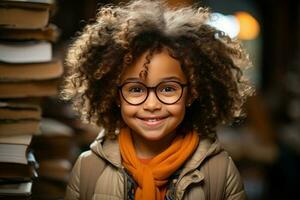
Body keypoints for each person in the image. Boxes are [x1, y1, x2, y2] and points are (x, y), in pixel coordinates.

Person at [62, 0, 254, 199]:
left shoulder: (220, 171)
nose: (152, 105)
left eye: (168, 89)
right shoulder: (88, 168)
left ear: (192, 93)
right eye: (136, 89)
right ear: (115, 95)